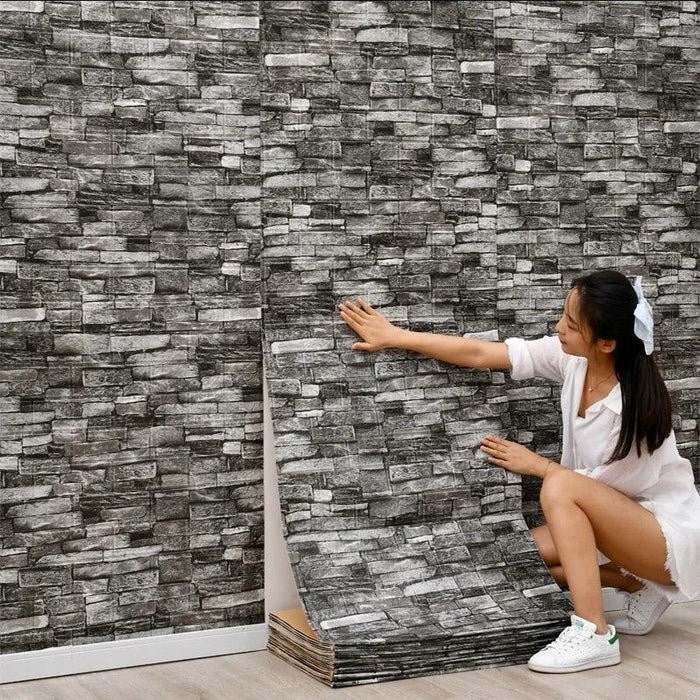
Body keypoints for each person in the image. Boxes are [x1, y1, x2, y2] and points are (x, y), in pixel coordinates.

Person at [337, 269, 700, 674]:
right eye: (564, 316)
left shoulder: (633, 411)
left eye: (571, 325)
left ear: (607, 344)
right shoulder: (575, 361)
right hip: (612, 524)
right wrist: (398, 336)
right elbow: (484, 355)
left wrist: (539, 466)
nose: (558, 329)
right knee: (516, 558)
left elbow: (594, 495)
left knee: (559, 488)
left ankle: (595, 634)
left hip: (664, 538)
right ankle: (632, 584)